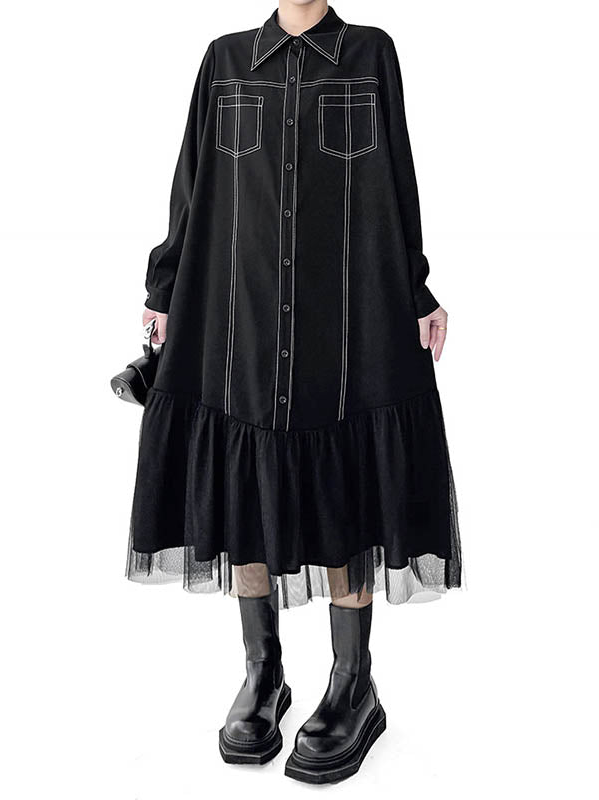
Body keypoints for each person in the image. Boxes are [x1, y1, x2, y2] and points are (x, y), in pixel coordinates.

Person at [126, 0, 463, 784]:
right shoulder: (224, 59)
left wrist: (416, 288)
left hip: (345, 319)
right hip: (240, 312)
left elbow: (397, 181)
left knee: (345, 479)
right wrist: (164, 287)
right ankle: (263, 673)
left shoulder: (371, 53)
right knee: (248, 481)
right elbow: (192, 181)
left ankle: (353, 685)